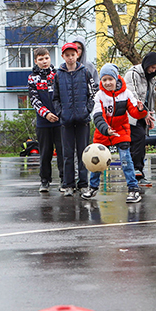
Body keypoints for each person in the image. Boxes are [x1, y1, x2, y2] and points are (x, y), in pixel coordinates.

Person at [82, 64, 148, 204]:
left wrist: (142, 110)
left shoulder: (126, 93)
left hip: (121, 131)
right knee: (96, 160)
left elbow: (135, 112)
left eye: (110, 79)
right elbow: (98, 116)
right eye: (104, 80)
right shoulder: (99, 95)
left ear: (116, 78)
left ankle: (133, 189)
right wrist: (106, 129)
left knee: (126, 159)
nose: (107, 83)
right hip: (103, 132)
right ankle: (93, 187)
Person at [53, 42, 97, 196]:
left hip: (83, 119)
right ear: (63, 56)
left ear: (77, 55)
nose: (70, 58)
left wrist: (87, 110)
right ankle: (68, 184)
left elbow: (93, 93)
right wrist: (61, 112)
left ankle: (83, 183)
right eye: (67, 55)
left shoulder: (85, 72)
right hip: (66, 120)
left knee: (83, 153)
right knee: (67, 153)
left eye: (73, 55)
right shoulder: (59, 74)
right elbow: (55, 97)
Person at [124, 52, 156, 186]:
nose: (153, 70)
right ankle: (136, 171)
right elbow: (133, 95)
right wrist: (145, 113)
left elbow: (149, 99)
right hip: (132, 114)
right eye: (152, 67)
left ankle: (137, 171)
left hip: (143, 115)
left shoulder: (151, 80)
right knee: (137, 140)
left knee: (141, 143)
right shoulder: (133, 74)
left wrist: (150, 118)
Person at [28, 47, 63, 192]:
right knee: (45, 152)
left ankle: (65, 180)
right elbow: (34, 99)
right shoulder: (32, 78)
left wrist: (59, 113)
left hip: (60, 121)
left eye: (46, 58)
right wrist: (46, 114)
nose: (44, 61)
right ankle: (45, 180)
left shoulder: (58, 74)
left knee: (62, 152)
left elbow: (63, 96)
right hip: (43, 122)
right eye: (41, 59)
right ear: (36, 61)